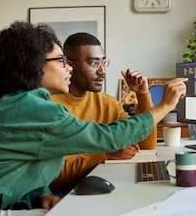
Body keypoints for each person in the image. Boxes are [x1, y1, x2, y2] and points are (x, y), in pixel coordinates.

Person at [0, 21, 187, 216]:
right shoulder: (29, 107)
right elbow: (109, 137)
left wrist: (42, 196)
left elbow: (23, 169)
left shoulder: (20, 103)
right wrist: (165, 105)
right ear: (32, 65)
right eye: (60, 61)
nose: (68, 67)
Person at [50, 32, 157, 193]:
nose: (102, 71)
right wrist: (106, 155)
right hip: (62, 193)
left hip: (99, 183)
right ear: (69, 65)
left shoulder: (107, 103)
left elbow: (145, 145)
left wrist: (142, 95)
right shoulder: (48, 106)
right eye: (93, 63)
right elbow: (51, 176)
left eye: (103, 62)